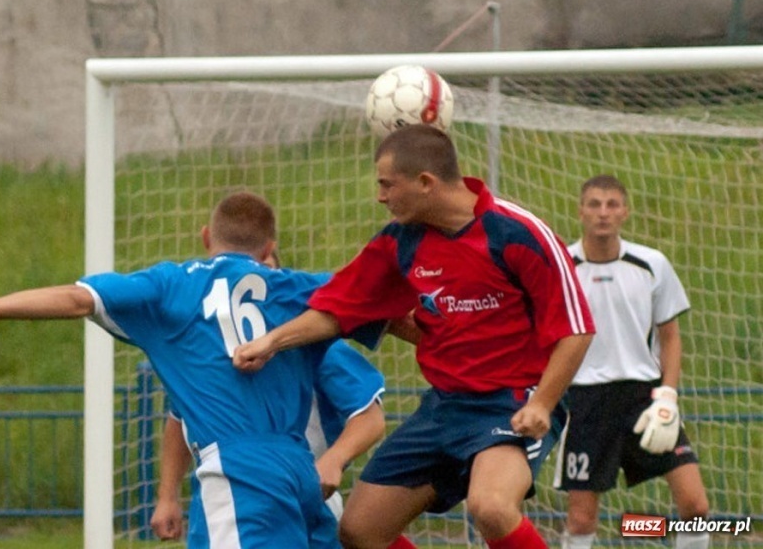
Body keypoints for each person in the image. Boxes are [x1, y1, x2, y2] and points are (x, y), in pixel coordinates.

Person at [0, 191, 380, 549]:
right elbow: (386, 300)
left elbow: (75, 299)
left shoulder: (171, 286)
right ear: (269, 246)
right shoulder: (301, 288)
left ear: (205, 238)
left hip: (239, 472)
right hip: (298, 468)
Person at [234, 124, 595, 549]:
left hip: (513, 401)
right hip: (445, 407)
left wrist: (543, 403)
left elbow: (577, 330)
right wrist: (269, 342)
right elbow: (336, 310)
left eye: (388, 185)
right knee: (359, 530)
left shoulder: (517, 233)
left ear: (425, 183)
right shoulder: (399, 243)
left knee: (492, 507)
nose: (380, 197)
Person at [150, 251, 418, 549]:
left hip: (300, 497)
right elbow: (179, 418)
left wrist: (332, 460)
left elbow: (369, 416)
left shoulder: (309, 344)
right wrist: (167, 496)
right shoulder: (207, 352)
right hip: (224, 496)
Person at [557, 175, 710, 549]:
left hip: (646, 399)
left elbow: (670, 337)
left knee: (695, 504)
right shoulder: (563, 268)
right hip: (585, 402)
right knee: (581, 519)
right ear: (580, 211)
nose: (603, 213)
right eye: (594, 204)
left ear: (625, 211)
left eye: (612, 204)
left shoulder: (651, 263)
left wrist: (667, 397)